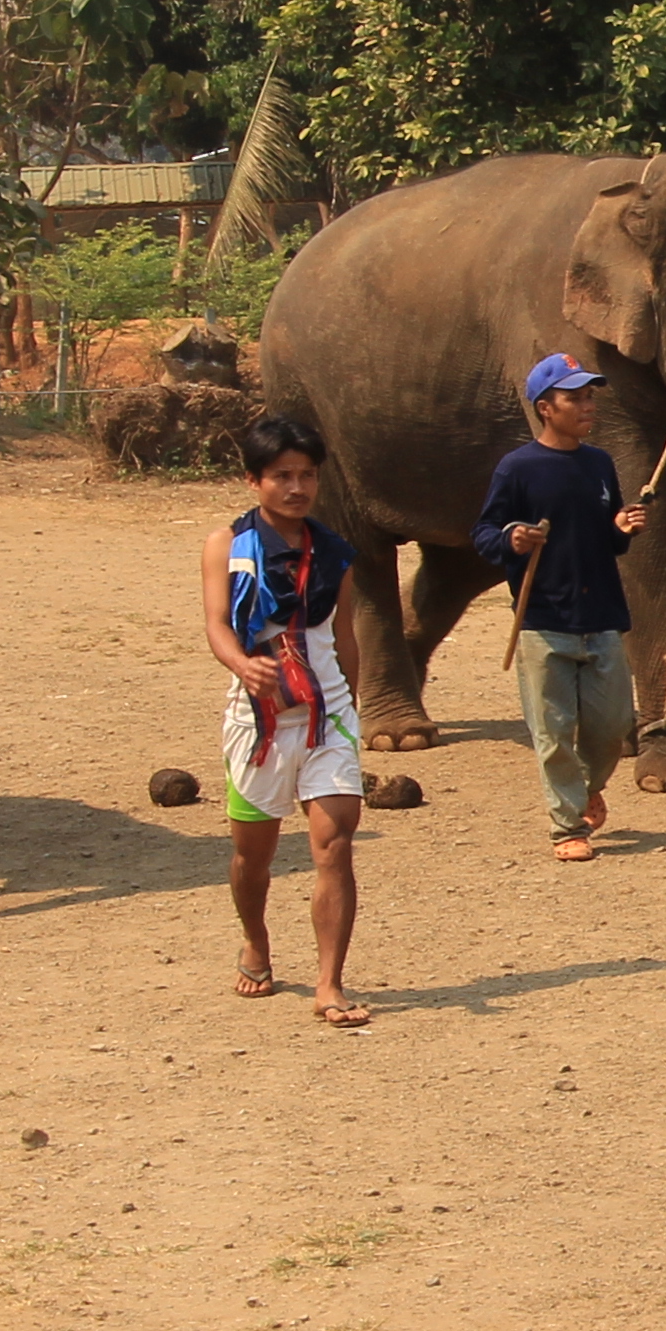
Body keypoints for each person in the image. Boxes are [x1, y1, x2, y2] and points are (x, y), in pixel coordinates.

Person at [207, 413, 370, 1026]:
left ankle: (330, 983)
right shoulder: (227, 545)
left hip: (327, 718)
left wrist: (351, 706)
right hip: (259, 721)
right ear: (254, 480)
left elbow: (344, 639)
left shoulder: (335, 555)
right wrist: (242, 666)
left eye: (307, 476)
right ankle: (256, 939)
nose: (297, 488)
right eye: (282, 476)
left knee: (335, 847)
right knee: (254, 857)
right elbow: (218, 623)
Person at [473, 352, 648, 863]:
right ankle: (566, 826)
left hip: (602, 618)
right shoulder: (518, 468)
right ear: (546, 408)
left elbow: (606, 540)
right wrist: (514, 538)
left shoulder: (599, 464)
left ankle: (588, 788)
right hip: (543, 621)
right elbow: (485, 533)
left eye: (590, 396)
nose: (588, 405)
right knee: (552, 733)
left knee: (613, 726)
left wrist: (620, 530)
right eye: (576, 397)